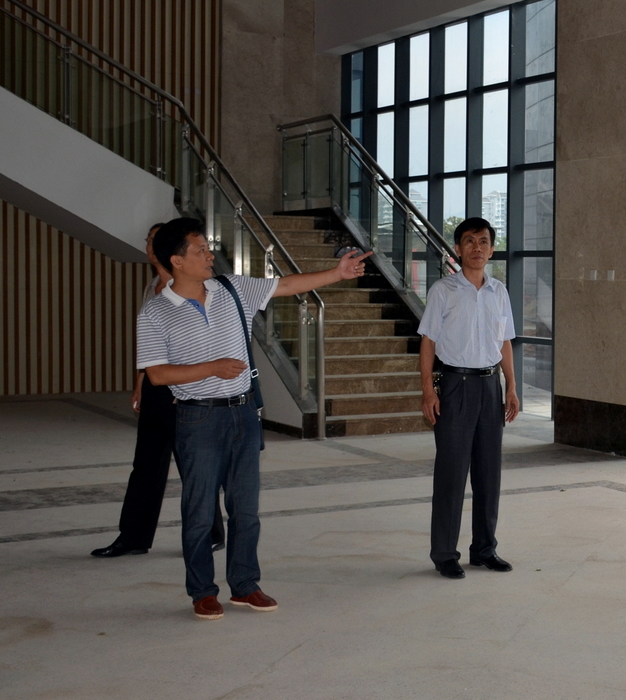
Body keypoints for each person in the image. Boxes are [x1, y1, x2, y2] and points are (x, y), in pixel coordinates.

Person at [137, 217, 371, 620]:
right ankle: (202, 591)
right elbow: (157, 374)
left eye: (208, 247)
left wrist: (337, 273)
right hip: (197, 418)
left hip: (243, 413)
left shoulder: (232, 288)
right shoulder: (155, 312)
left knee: (246, 509)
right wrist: (211, 368)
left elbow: (286, 285)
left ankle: (245, 585)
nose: (210, 255)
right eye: (200, 250)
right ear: (176, 260)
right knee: (199, 510)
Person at [91, 224, 222, 558]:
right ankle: (133, 536)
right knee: (147, 462)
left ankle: (210, 532)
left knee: (192, 463)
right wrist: (141, 382)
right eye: (148, 240)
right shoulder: (153, 288)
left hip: (188, 387)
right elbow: (150, 346)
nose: (149, 245)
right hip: (157, 386)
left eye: (155, 240)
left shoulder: (196, 286)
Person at [418, 217, 519, 579]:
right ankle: (445, 553)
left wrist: (511, 385)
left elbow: (504, 342)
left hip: (491, 386)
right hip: (455, 385)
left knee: (489, 473)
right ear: (458, 249)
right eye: (470, 241)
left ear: (492, 249)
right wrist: (428, 389)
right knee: (451, 473)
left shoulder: (499, 291)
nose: (477, 247)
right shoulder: (443, 291)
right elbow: (428, 341)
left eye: (484, 241)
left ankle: (484, 549)